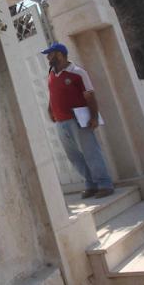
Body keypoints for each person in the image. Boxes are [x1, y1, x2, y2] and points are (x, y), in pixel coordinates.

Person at [42, 42, 115, 199]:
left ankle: (105, 184)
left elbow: (90, 96)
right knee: (73, 156)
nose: (48, 57)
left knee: (91, 152)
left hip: (78, 120)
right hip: (60, 122)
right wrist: (50, 109)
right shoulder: (51, 73)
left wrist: (94, 117)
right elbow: (53, 94)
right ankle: (91, 185)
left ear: (60, 54)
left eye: (50, 54)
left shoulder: (78, 73)